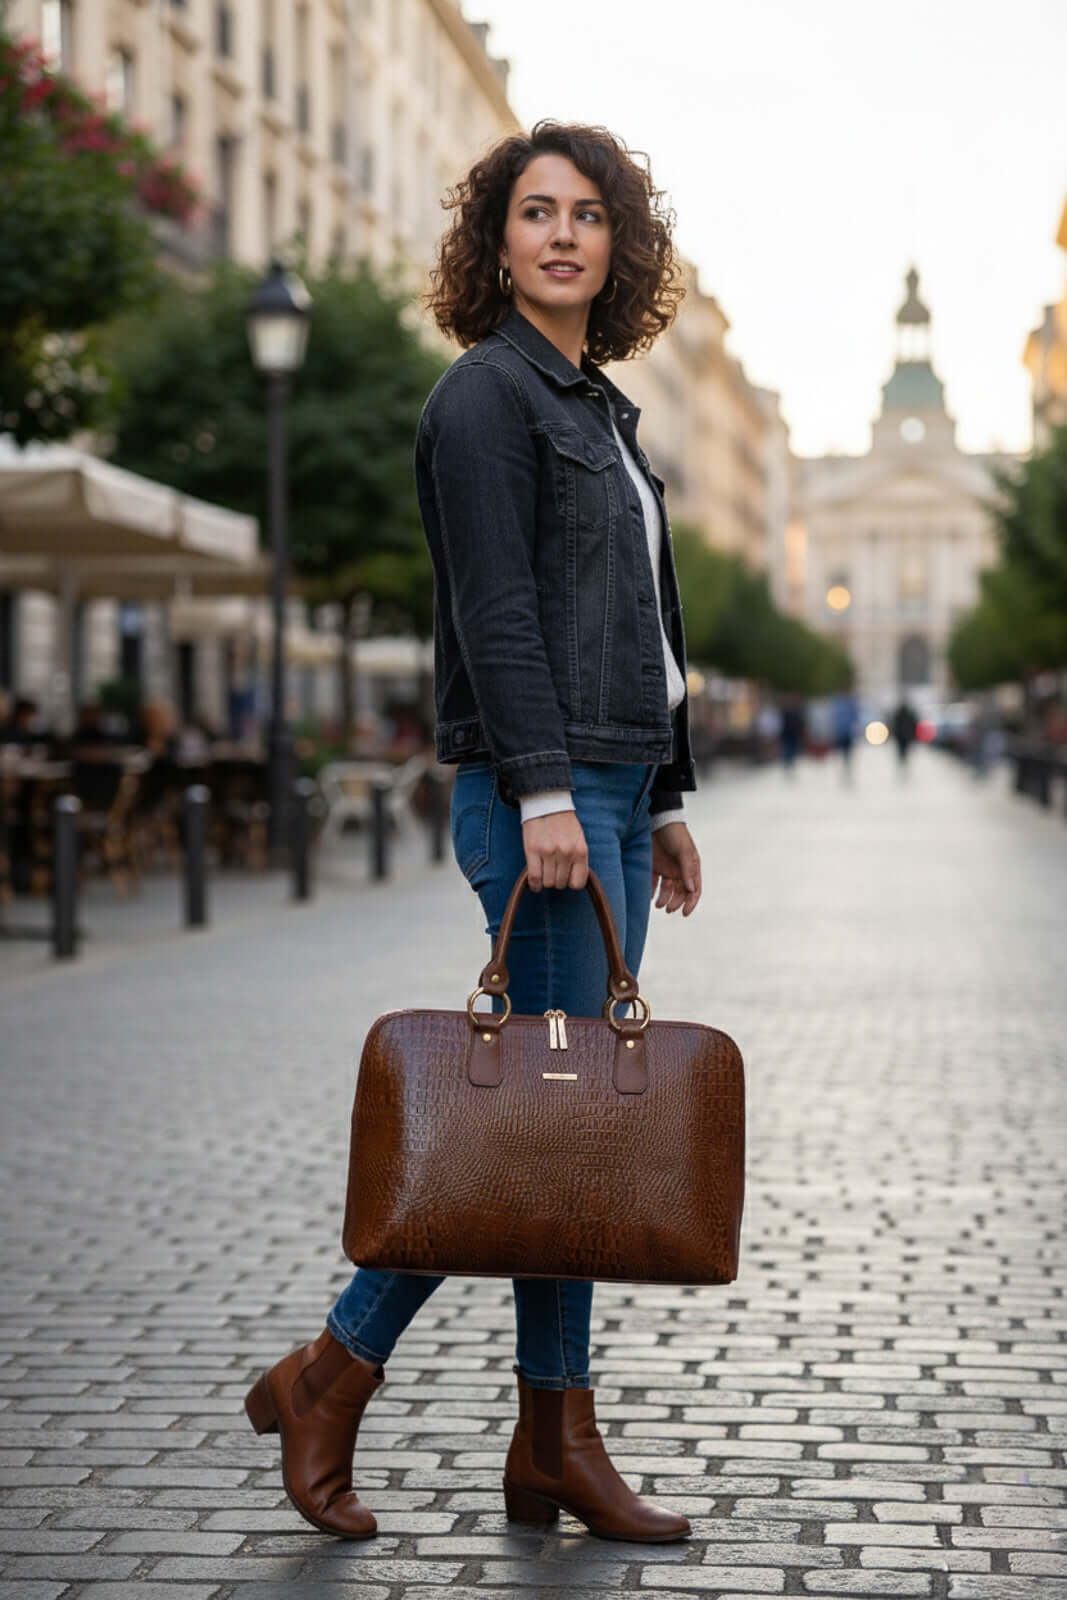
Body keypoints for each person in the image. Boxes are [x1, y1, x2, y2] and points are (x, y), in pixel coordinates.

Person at [245, 121, 701, 1545]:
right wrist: (548, 789)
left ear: (615, 247)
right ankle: (333, 1372)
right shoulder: (481, 400)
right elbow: (496, 612)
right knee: (541, 1133)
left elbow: (645, 618)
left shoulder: (597, 409)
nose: (560, 235)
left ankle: (546, 1442)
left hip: (616, 785)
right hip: (543, 793)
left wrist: (665, 793)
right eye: (533, 213)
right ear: (494, 243)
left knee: (567, 1136)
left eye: (586, 216)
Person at [891, 699, 918, 768]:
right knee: (903, 748)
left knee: (902, 749)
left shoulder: (899, 714)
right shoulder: (907, 714)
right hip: (905, 735)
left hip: (902, 735)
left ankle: (902, 759)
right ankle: (903, 759)